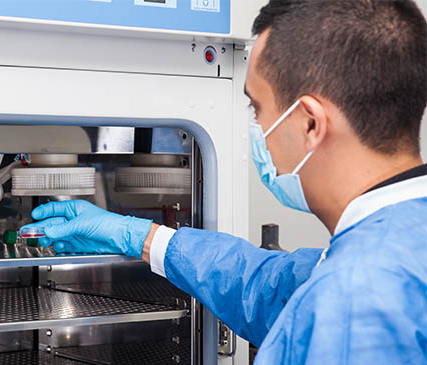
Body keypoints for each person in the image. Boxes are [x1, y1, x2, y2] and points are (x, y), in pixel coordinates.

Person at [22, 0, 427, 363]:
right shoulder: (397, 245)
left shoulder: (355, 302)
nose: (257, 128)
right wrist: (138, 236)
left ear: (309, 123)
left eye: (257, 107)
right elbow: (270, 289)